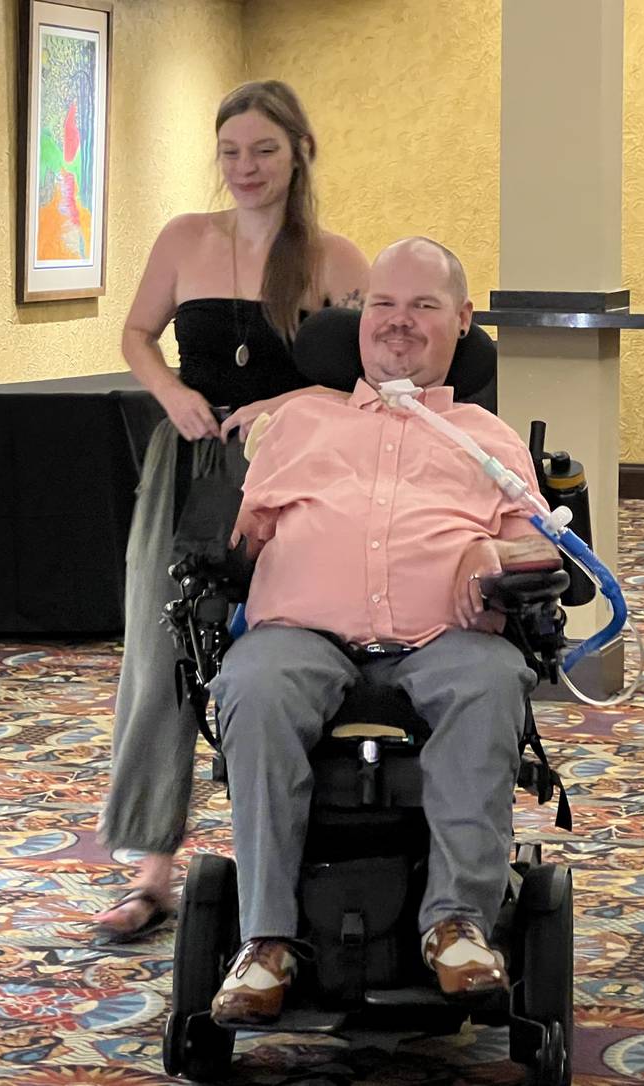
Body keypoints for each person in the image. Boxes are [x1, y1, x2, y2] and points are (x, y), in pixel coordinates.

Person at [204, 238, 560, 1026]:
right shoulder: (298, 421)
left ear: (461, 322)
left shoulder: (488, 440)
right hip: (301, 633)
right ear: (358, 320)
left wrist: (492, 549)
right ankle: (266, 940)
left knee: (491, 682)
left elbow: (549, 548)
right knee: (253, 685)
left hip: (448, 638)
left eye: (424, 306)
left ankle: (456, 925)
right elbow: (236, 539)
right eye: (383, 305)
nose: (399, 323)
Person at [93, 80, 369, 943]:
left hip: (297, 479)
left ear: (300, 153)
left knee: (293, 653)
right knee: (163, 656)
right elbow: (137, 335)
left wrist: (291, 408)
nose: (245, 168)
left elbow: (368, 385)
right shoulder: (185, 238)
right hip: (189, 472)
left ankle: (309, 860)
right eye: (232, 153)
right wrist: (171, 391)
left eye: (264, 151)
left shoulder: (337, 260)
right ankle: (150, 870)